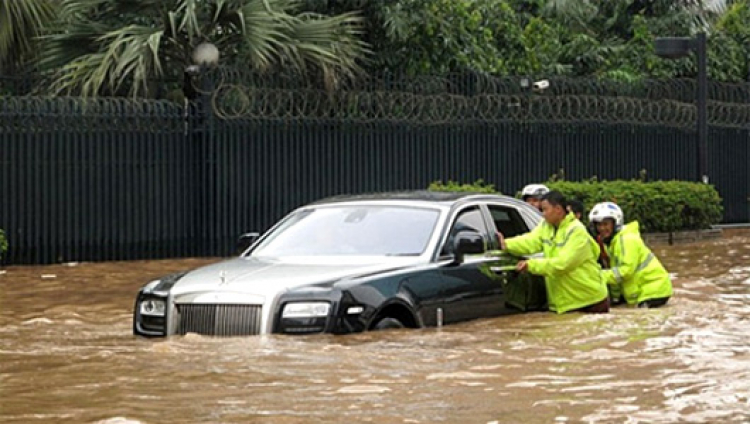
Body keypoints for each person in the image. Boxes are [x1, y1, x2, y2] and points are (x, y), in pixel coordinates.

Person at [497, 191, 609, 314]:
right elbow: (531, 241)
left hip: (589, 301)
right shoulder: (546, 226)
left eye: (545, 210)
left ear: (558, 209)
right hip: (565, 302)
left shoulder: (577, 231)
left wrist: (531, 265)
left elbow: (563, 264)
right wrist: (506, 244)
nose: (542, 214)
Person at [588, 202, 673, 308]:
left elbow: (625, 271)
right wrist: (615, 300)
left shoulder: (626, 240)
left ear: (616, 223)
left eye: (606, 224)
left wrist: (598, 276)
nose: (601, 228)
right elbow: (616, 274)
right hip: (646, 291)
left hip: (654, 291)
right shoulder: (611, 242)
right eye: (599, 225)